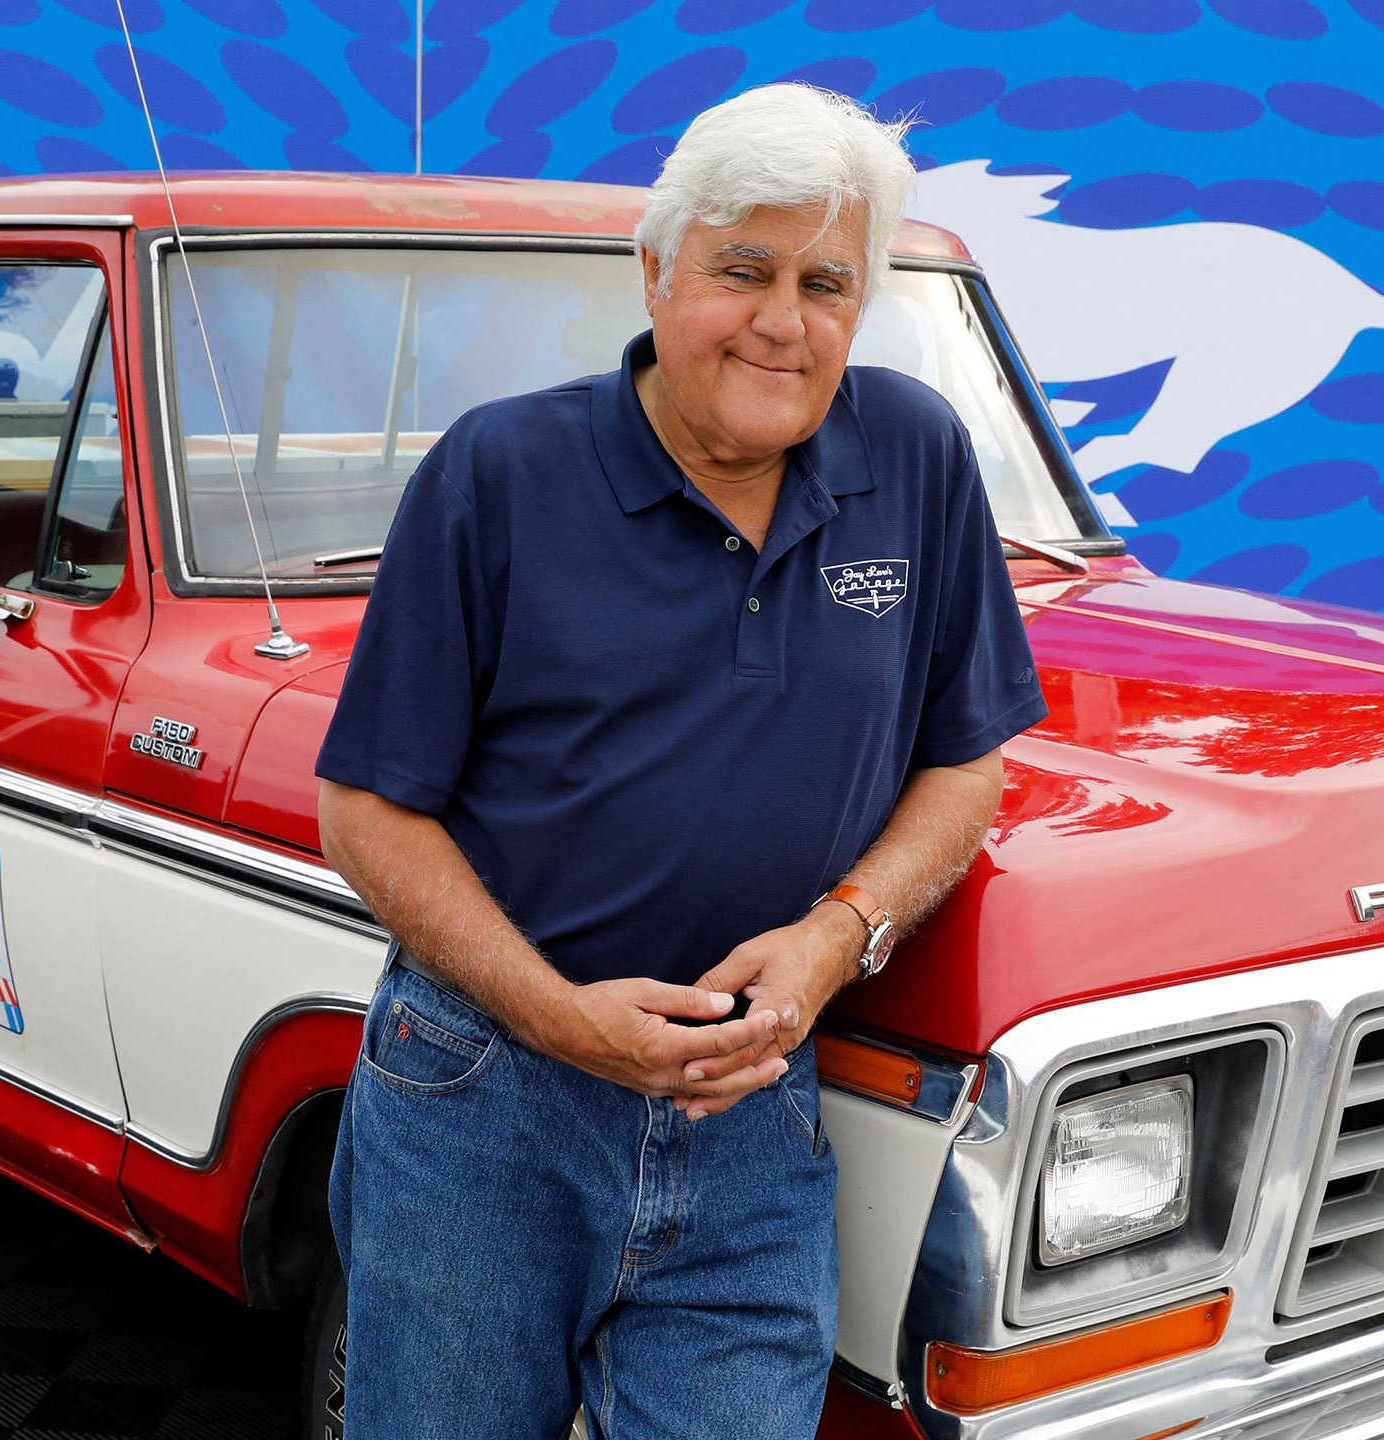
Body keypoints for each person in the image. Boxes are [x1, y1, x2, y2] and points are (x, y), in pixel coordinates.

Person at [315, 82, 1047, 1440]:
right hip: (487, 1101)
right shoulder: (500, 474)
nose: (784, 320)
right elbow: (363, 810)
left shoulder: (919, 456)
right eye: (743, 270)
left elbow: (967, 766)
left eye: (829, 281)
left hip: (759, 1112)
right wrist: (553, 1012)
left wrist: (836, 940)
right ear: (655, 269)